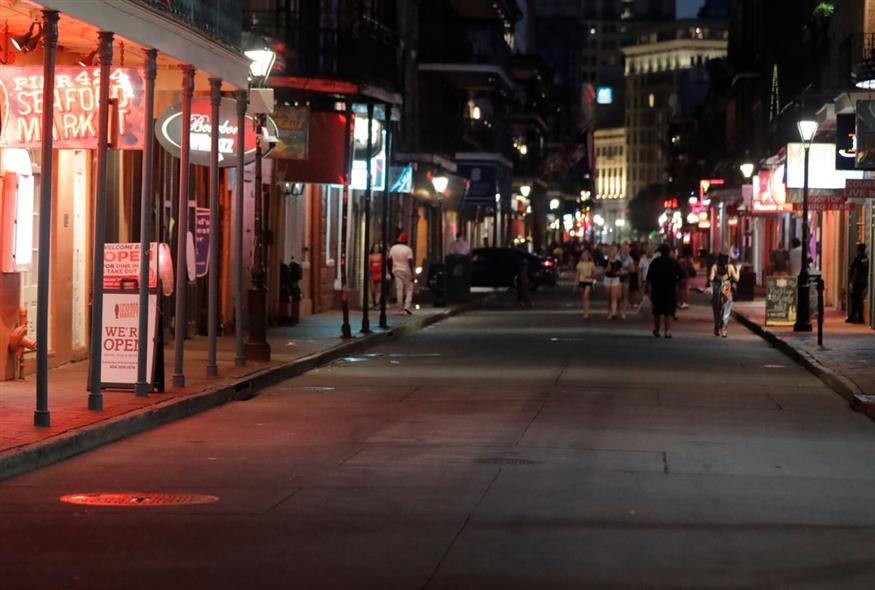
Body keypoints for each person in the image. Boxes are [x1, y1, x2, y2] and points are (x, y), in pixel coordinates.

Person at [646, 243, 684, 338]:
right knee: (669, 311)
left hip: (657, 289)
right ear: (669, 252)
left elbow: (649, 277)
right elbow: (682, 275)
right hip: (670, 289)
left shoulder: (655, 262)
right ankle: (667, 331)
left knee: (657, 310)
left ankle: (657, 330)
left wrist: (647, 289)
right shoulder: (674, 262)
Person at [709, 252, 740, 337]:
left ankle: (717, 328)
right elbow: (736, 279)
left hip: (717, 287)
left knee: (716, 309)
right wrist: (738, 270)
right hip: (726, 286)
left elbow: (711, 278)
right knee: (726, 308)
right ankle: (724, 329)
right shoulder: (730, 267)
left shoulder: (715, 267)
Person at [389, 232, 415, 315]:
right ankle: (407, 307)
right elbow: (410, 261)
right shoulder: (408, 249)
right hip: (406, 270)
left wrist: (390, 271)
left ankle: (400, 308)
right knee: (409, 289)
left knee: (399, 289)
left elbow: (389, 260)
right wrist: (413, 272)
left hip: (396, 270)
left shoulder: (393, 248)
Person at [847, 243, 869, 323]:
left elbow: (856, 271)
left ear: (859, 250)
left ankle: (857, 317)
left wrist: (852, 282)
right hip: (863, 281)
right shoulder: (865, 259)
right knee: (859, 299)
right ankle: (856, 316)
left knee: (856, 299)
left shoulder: (858, 259)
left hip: (857, 282)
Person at [602, 244, 623, 319]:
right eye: (612, 251)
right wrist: (606, 269)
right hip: (607, 279)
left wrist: (618, 273)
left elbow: (621, 271)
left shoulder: (618, 262)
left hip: (615, 279)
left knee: (614, 296)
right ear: (609, 252)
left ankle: (613, 313)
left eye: (615, 251)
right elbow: (602, 271)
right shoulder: (606, 261)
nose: (614, 253)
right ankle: (609, 311)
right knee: (609, 297)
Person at [575, 249, 596, 319]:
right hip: (581, 281)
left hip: (588, 281)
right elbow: (577, 274)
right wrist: (576, 282)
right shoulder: (580, 264)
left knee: (585, 295)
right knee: (584, 298)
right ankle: (585, 311)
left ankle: (586, 313)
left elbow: (594, 273)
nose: (585, 257)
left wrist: (591, 276)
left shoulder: (591, 264)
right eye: (584, 255)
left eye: (586, 256)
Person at [619, 242, 635, 315]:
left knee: (625, 294)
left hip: (626, 276)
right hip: (618, 276)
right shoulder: (617, 257)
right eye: (624, 248)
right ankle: (618, 309)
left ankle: (624, 311)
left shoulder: (630, 258)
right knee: (619, 294)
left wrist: (626, 267)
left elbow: (632, 269)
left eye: (627, 248)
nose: (625, 250)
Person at [677, 245, 696, 309]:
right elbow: (692, 267)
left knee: (681, 288)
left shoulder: (681, 259)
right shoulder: (690, 259)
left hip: (680, 274)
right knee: (686, 288)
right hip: (687, 274)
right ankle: (686, 302)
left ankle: (681, 302)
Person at [368, 243, 384, 309]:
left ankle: (377, 303)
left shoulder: (382, 256)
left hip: (380, 273)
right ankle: (374, 302)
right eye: (375, 247)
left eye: (377, 247)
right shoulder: (370, 256)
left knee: (379, 289)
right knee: (373, 289)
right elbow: (368, 265)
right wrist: (369, 274)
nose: (376, 249)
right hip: (372, 274)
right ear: (373, 248)